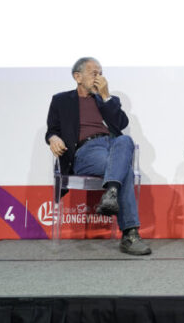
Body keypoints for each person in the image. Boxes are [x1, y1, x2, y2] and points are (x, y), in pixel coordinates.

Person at [45, 57, 151, 256]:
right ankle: (130, 234)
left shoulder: (109, 99)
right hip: (85, 151)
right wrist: (53, 138)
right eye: (94, 73)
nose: (99, 77)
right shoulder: (61, 100)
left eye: (101, 73)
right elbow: (52, 129)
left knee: (125, 140)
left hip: (112, 145)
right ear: (78, 77)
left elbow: (120, 124)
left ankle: (111, 192)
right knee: (125, 171)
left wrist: (105, 96)